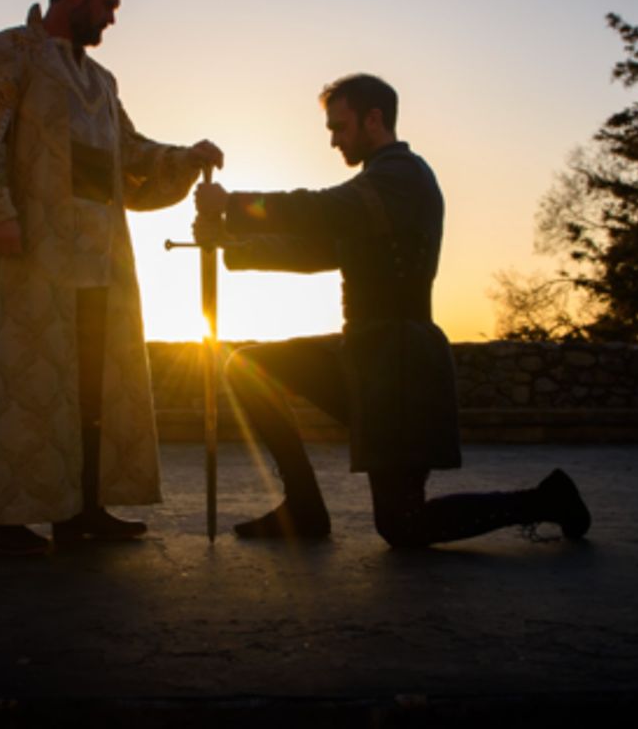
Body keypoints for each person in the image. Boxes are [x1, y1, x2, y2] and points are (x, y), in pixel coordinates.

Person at [194, 74, 590, 547]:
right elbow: (315, 247)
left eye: (340, 128)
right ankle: (303, 507)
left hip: (402, 365)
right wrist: (231, 242)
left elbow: (321, 210)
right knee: (248, 365)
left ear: (374, 118)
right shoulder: (373, 190)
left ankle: (546, 500)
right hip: (363, 355)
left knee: (402, 524)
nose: (335, 140)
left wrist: (234, 206)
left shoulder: (402, 178)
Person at [0, 0, 222, 555]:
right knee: (27, 388)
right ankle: (1, 520)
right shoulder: (9, 53)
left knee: (94, 389)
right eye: (109, 4)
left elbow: (130, 157)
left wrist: (185, 157)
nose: (113, 18)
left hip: (100, 262)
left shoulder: (99, 81)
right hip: (31, 256)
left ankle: (82, 509)